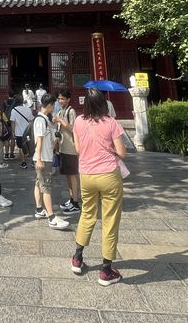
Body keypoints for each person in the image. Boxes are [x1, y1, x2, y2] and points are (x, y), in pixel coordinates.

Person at [71, 88, 127, 286]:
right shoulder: (111, 123)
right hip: (108, 175)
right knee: (110, 220)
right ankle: (106, 270)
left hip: (86, 175)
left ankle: (77, 258)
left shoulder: (78, 121)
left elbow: (78, 149)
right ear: (103, 104)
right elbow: (122, 152)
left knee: (87, 213)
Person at [33, 93, 70, 230]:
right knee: (46, 186)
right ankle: (52, 217)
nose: (54, 107)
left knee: (39, 183)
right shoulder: (40, 120)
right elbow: (39, 139)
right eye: (53, 105)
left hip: (44, 157)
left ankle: (39, 209)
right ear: (49, 106)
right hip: (43, 158)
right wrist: (39, 159)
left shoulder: (44, 119)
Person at [55, 89, 81, 214]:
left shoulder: (71, 111)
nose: (60, 101)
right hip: (62, 147)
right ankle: (72, 199)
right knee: (67, 176)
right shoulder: (60, 111)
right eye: (59, 99)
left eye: (63, 99)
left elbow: (74, 129)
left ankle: (76, 203)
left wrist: (60, 121)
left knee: (73, 175)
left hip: (71, 148)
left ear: (68, 99)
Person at [9, 94, 32, 169]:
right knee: (30, 147)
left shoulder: (14, 110)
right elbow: (31, 120)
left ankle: (23, 162)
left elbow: (12, 122)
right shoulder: (28, 109)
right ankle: (33, 162)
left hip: (19, 133)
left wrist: (13, 132)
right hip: (28, 133)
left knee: (20, 147)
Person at [4, 90, 18, 159]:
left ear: (8, 95)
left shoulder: (5, 102)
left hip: (6, 122)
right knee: (12, 138)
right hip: (13, 121)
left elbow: (3, 112)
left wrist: (5, 121)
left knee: (6, 138)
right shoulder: (15, 103)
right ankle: (12, 154)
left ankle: (6, 154)